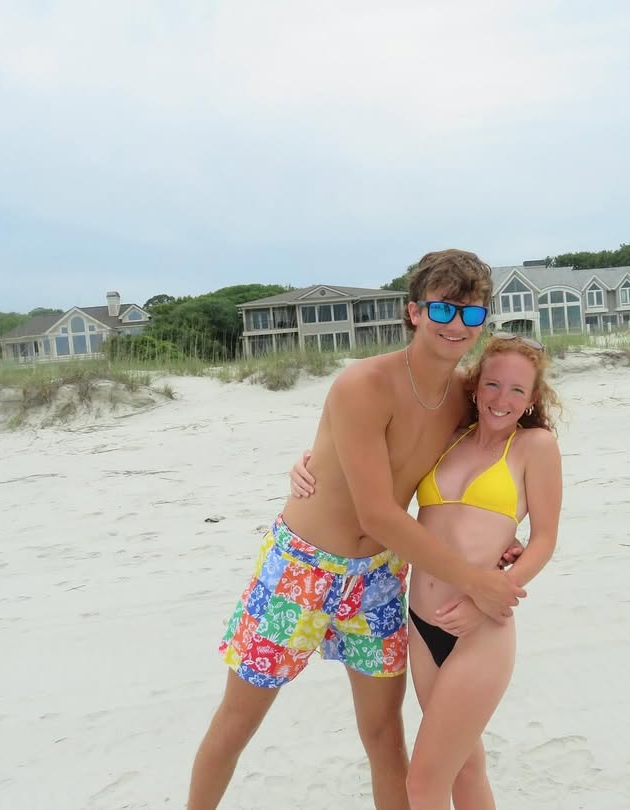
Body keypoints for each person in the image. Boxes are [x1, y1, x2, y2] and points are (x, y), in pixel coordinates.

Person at [186, 249, 528, 810]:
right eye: (443, 309)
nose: (457, 325)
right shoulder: (364, 385)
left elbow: (506, 457)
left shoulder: (466, 398)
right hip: (301, 568)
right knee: (239, 721)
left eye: (472, 313)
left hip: (380, 577)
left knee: (384, 735)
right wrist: (475, 578)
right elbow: (375, 513)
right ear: (414, 312)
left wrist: (501, 531)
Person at [290, 333, 564, 809]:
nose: (502, 398)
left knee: (422, 784)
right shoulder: (448, 436)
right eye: (493, 384)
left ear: (532, 399)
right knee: (465, 769)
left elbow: (544, 539)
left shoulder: (534, 447)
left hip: (480, 628)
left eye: (517, 390)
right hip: (421, 625)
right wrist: (306, 463)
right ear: (475, 387)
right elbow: (372, 462)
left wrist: (492, 594)